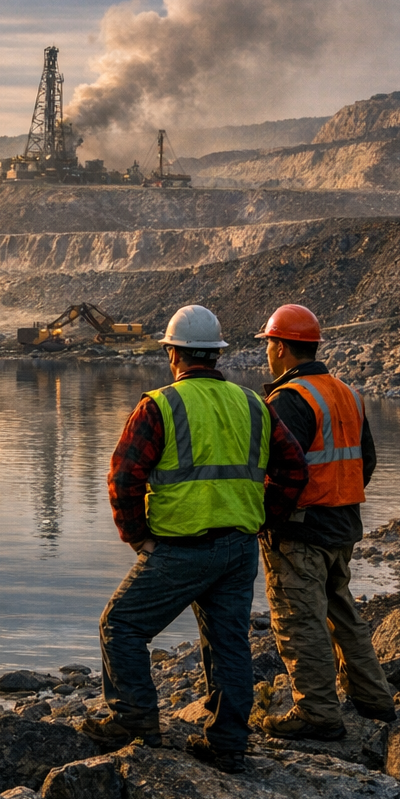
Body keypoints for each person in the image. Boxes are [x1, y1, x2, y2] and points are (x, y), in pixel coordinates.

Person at [85, 304, 309, 773]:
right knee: (229, 643)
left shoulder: (160, 405)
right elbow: (293, 468)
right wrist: (263, 519)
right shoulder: (254, 403)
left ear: (174, 355)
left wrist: (137, 538)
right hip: (239, 548)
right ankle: (228, 744)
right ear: (215, 354)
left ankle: (134, 724)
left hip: (180, 549)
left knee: (121, 626)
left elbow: (123, 477)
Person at [255, 304, 396, 739]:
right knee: (341, 611)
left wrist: (267, 520)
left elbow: (282, 471)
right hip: (342, 525)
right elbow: (365, 460)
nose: (267, 353)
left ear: (279, 347)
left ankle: (317, 712)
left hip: (300, 529)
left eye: (268, 345)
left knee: (300, 620)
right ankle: (373, 699)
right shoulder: (345, 392)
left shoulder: (289, 400)